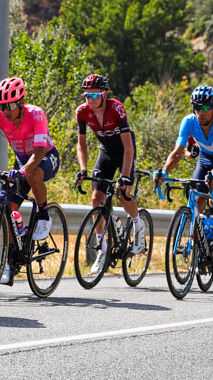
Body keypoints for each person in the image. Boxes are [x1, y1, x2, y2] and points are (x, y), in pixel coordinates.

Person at [0, 76, 61, 285]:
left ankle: (43, 214)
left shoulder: (36, 114)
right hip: (22, 161)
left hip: (45, 158)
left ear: (21, 103)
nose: (5, 110)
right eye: (0, 105)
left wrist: (23, 171)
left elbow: (40, 150)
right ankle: (10, 259)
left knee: (32, 175)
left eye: (10, 105)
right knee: (7, 206)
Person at [73, 73, 146, 274]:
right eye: (87, 95)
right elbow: (82, 144)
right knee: (96, 198)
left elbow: (129, 147)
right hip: (105, 152)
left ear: (104, 94)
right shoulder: (82, 112)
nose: (90, 99)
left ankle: (139, 226)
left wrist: (125, 176)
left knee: (123, 194)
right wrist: (83, 169)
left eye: (95, 95)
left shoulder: (116, 108)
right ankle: (102, 249)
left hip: (124, 151)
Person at [155, 85, 213, 249]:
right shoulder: (188, 121)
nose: (201, 112)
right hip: (205, 158)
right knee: (198, 198)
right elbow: (177, 153)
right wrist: (164, 171)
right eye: (197, 107)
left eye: (206, 107)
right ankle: (197, 240)